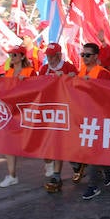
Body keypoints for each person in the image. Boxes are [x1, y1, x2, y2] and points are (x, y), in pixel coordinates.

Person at [39, 43, 79, 193]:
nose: (49, 59)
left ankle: (76, 163)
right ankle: (56, 175)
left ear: (59, 55)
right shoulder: (44, 69)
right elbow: (37, 86)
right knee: (56, 142)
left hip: (67, 110)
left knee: (68, 143)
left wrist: (68, 78)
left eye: (52, 56)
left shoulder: (69, 67)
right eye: (47, 56)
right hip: (51, 111)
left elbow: (78, 86)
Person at [79, 43, 110, 200]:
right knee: (86, 152)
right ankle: (108, 166)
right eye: (83, 55)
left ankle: (93, 185)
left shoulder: (103, 73)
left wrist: (90, 85)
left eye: (87, 55)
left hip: (99, 119)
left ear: (95, 56)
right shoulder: (80, 72)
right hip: (83, 117)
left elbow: (106, 96)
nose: (84, 58)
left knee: (92, 153)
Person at [0, 46, 38, 187]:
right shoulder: (8, 73)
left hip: (26, 112)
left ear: (22, 56)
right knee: (8, 143)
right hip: (11, 112)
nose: (12, 57)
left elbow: (37, 90)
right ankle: (12, 174)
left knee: (35, 140)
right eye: (10, 54)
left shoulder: (30, 71)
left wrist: (26, 83)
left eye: (14, 54)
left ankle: (50, 163)